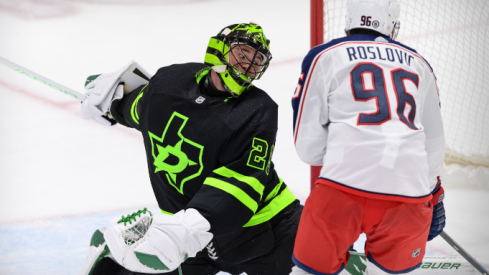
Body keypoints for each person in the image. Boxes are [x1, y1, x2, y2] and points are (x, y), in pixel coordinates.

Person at [78, 22, 302, 275]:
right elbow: (141, 109)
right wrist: (113, 99)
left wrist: (188, 226)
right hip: (192, 239)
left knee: (326, 263)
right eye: (242, 54)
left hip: (265, 229)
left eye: (256, 60)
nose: (248, 66)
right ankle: (112, 258)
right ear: (218, 49)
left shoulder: (256, 110)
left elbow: (241, 181)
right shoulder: (168, 83)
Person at [290, 0, 446, 274]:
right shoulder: (421, 64)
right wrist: (434, 195)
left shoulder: (325, 55)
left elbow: (308, 147)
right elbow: (433, 148)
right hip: (409, 198)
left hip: (340, 191)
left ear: (349, 20)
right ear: (391, 24)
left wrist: (348, 149)